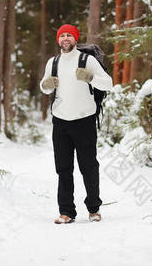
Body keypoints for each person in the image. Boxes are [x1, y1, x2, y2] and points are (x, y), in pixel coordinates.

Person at [40, 24, 112, 224]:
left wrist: (89, 77)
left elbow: (108, 83)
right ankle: (66, 212)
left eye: (69, 36)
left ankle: (94, 209)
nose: (65, 39)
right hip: (60, 121)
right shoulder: (53, 62)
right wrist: (46, 85)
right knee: (63, 168)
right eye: (62, 35)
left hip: (84, 120)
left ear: (75, 39)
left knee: (88, 166)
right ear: (58, 40)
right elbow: (45, 86)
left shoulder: (86, 60)